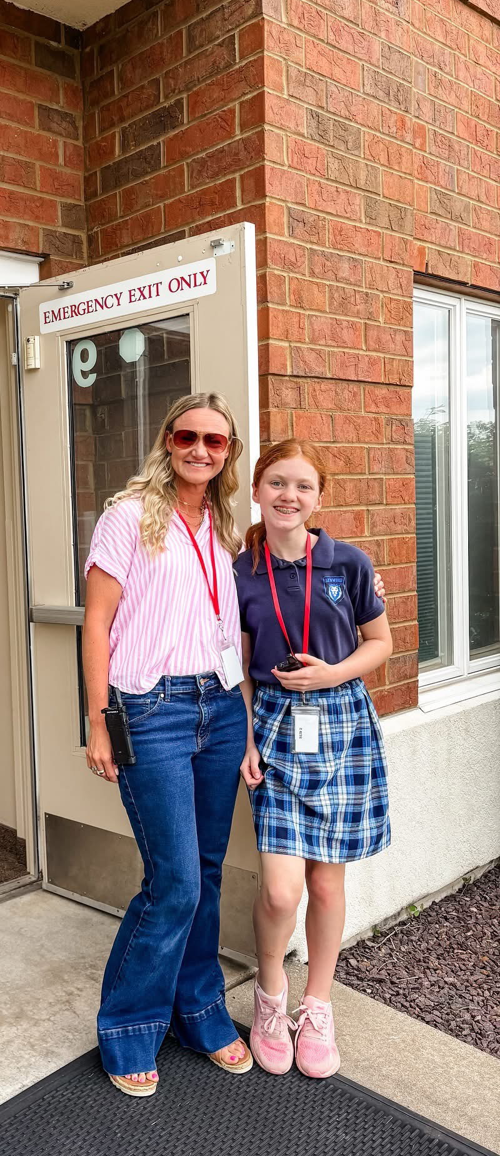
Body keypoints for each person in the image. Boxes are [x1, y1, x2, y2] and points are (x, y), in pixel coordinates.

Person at [82, 392, 255, 1097]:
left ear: (227, 453)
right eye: (188, 436)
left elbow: (235, 623)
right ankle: (128, 1026)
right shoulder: (127, 516)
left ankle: (200, 1012)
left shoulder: (222, 525)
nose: (200, 450)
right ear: (168, 440)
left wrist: (243, 717)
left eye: (215, 441)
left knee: (206, 872)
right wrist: (98, 721)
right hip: (151, 710)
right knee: (175, 880)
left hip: (221, 707)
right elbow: (97, 624)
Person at [234, 440, 392, 1080]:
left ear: (319, 497)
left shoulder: (348, 563)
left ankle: (318, 1005)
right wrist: (246, 739)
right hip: (273, 727)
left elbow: (379, 643)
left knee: (327, 884)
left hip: (341, 725)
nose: (289, 496)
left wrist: (331, 674)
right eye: (277, 482)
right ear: (256, 490)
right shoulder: (240, 571)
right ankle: (270, 998)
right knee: (280, 891)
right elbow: (239, 665)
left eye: (302, 485)